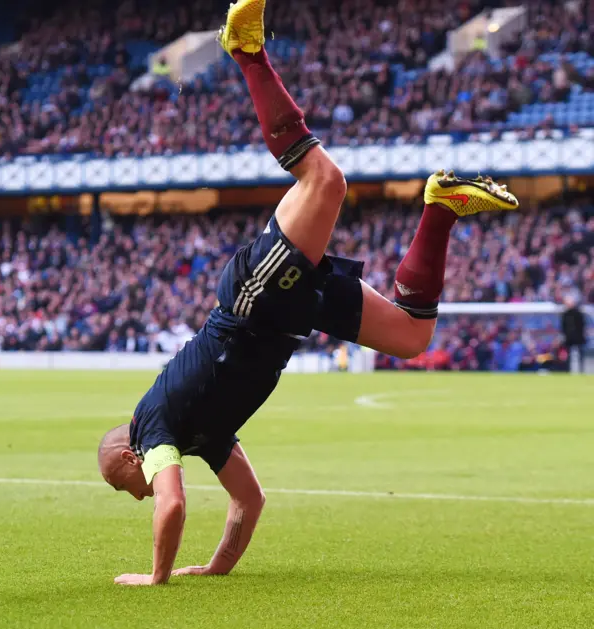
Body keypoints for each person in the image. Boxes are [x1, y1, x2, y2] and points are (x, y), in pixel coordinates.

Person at [97, 0, 519, 586]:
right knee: (412, 336)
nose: (135, 495)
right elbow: (250, 503)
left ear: (126, 458)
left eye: (125, 486)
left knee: (326, 180)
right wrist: (214, 568)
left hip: (252, 304)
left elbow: (170, 505)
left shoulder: (151, 429)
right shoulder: (204, 436)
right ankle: (442, 208)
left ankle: (246, 53)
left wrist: (158, 576)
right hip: (289, 317)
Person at [561, 293, 587, 373]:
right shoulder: (565, 314)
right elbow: (563, 326)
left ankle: (581, 371)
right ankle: (567, 370)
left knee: (580, 355)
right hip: (569, 338)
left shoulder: (578, 313)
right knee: (567, 356)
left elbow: (582, 325)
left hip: (578, 337)